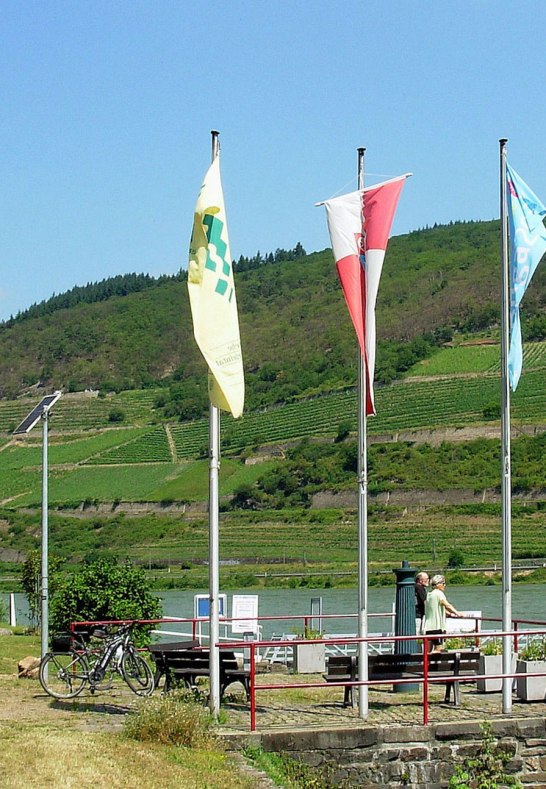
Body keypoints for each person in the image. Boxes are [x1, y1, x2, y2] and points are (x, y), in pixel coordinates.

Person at [423, 574, 462, 652]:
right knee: (439, 649)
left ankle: (427, 663)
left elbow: (436, 607)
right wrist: (457, 613)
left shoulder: (429, 594)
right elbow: (446, 605)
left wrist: (447, 613)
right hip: (436, 628)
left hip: (427, 627)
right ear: (438, 584)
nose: (445, 585)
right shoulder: (439, 593)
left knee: (428, 651)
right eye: (443, 583)